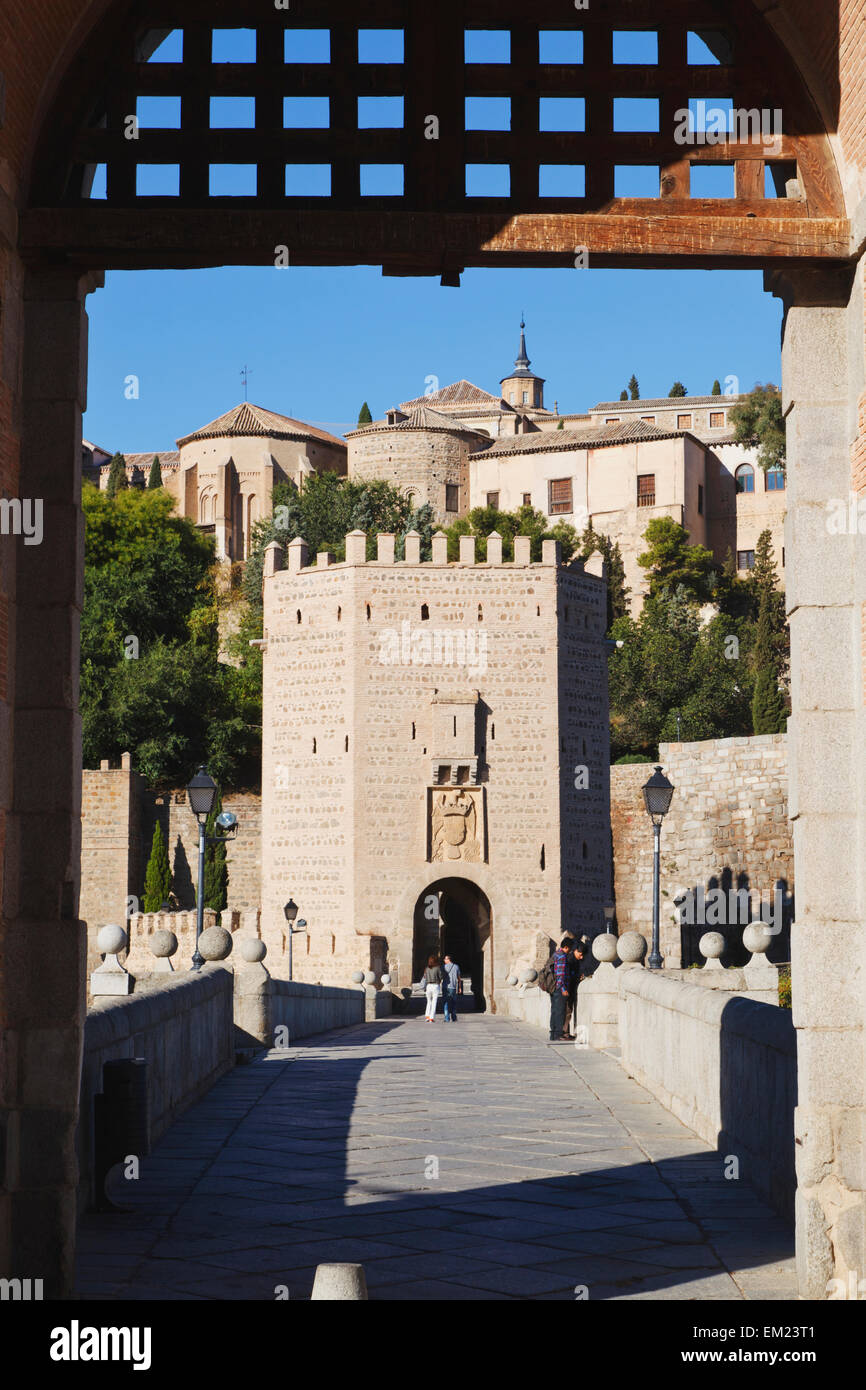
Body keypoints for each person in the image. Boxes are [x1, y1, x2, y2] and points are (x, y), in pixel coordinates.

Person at [548, 937, 571, 1042]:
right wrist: (563, 988)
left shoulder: (555, 954)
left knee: (554, 1010)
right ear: (566, 947)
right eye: (569, 949)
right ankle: (558, 1034)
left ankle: (552, 1034)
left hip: (552, 987)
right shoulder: (562, 956)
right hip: (558, 988)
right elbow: (560, 974)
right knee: (560, 1011)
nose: (569, 951)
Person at [563, 942, 586, 1040]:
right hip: (567, 990)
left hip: (568, 989)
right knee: (567, 1011)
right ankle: (564, 1034)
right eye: (580, 954)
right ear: (576, 951)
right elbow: (567, 976)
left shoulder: (572, 959)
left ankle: (565, 1033)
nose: (581, 957)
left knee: (567, 1011)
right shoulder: (570, 960)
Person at [421, 954, 442, 1022]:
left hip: (428, 985)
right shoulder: (437, 968)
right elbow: (440, 976)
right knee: (434, 1002)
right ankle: (431, 1017)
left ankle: (427, 1016)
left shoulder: (426, 968)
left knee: (429, 1001)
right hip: (435, 985)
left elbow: (425, 977)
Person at [442, 954, 460, 1022]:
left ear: (448, 959)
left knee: (446, 1002)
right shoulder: (456, 966)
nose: (444, 960)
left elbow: (441, 976)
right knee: (453, 1002)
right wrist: (460, 987)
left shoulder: (443, 967)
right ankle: (454, 1017)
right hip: (453, 987)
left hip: (445, 987)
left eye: (445, 959)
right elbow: (459, 978)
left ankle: (447, 1018)